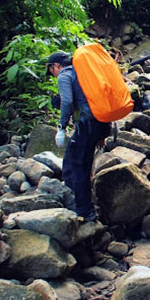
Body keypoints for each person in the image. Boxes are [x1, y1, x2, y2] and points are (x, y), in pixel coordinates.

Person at [47, 51, 109, 221]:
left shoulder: (65, 75)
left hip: (88, 125)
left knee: (78, 167)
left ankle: (85, 211)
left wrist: (61, 127)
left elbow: (66, 101)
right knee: (70, 161)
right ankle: (73, 198)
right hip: (101, 121)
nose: (52, 74)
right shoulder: (83, 73)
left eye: (51, 70)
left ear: (56, 66)